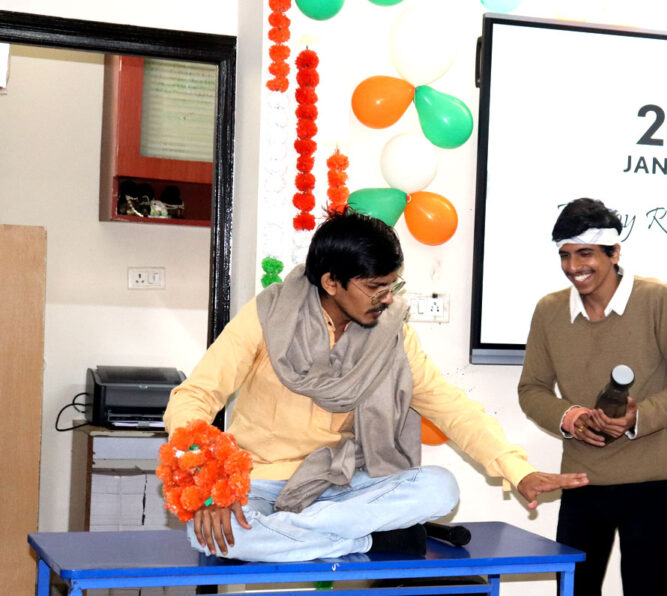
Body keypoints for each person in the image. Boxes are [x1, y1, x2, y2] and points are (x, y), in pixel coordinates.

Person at [164, 211, 589, 562]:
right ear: (331, 282)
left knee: (441, 488)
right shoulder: (267, 318)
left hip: (339, 484)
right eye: (374, 288)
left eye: (392, 285)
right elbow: (194, 398)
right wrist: (209, 488)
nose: (387, 299)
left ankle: (295, 537)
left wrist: (517, 470)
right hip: (256, 484)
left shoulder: (392, 334)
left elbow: (450, 406)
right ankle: (365, 541)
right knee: (206, 536)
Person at [517, 198, 667, 596]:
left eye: (585, 254)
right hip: (581, 486)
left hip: (648, 486)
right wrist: (570, 417)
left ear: (614, 253)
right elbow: (532, 390)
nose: (573, 267)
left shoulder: (656, 299)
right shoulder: (549, 311)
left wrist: (638, 417)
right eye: (565, 255)